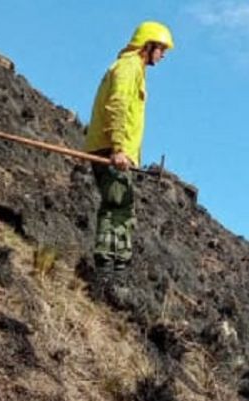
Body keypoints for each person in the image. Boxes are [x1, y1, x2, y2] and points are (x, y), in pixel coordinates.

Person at [85, 21, 174, 271]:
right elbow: (118, 106)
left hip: (115, 149)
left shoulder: (135, 69)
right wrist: (118, 148)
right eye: (162, 48)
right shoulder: (128, 67)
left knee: (122, 205)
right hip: (112, 150)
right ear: (149, 44)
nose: (164, 54)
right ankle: (108, 267)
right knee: (117, 205)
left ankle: (115, 265)